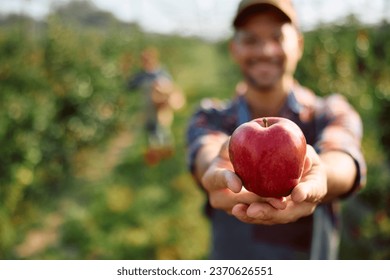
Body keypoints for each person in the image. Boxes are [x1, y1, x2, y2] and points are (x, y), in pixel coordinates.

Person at [186, 0, 367, 260]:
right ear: (234, 49)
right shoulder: (211, 116)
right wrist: (217, 170)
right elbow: (206, 154)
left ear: (299, 45)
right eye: (250, 40)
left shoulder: (329, 111)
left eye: (277, 37)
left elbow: (345, 158)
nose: (265, 50)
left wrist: (321, 176)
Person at [127, 47, 185, 165]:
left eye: (148, 60)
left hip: (160, 109)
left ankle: (166, 156)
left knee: (162, 131)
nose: (145, 62)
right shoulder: (141, 75)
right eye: (143, 60)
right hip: (147, 109)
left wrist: (163, 91)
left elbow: (170, 88)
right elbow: (129, 86)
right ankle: (155, 158)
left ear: (153, 59)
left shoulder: (161, 73)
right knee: (150, 131)